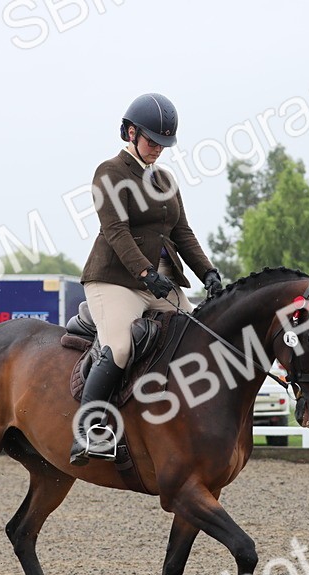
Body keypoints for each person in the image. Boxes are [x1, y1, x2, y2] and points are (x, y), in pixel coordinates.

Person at [71, 92, 224, 465]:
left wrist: (209, 273)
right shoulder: (110, 172)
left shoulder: (165, 180)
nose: (158, 149)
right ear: (130, 133)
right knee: (120, 348)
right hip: (113, 280)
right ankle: (89, 431)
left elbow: (182, 233)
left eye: (163, 143)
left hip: (159, 282)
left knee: (199, 337)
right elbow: (115, 230)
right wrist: (144, 272)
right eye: (152, 141)